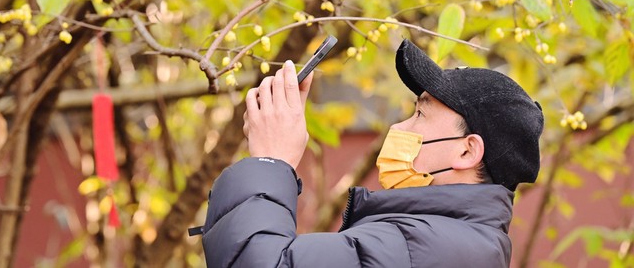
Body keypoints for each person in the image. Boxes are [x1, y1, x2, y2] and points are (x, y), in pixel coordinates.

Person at [199, 38, 544, 267]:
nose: (398, 129)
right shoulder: (456, 243)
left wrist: (271, 160)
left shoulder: (416, 248)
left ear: (468, 152)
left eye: (420, 114)